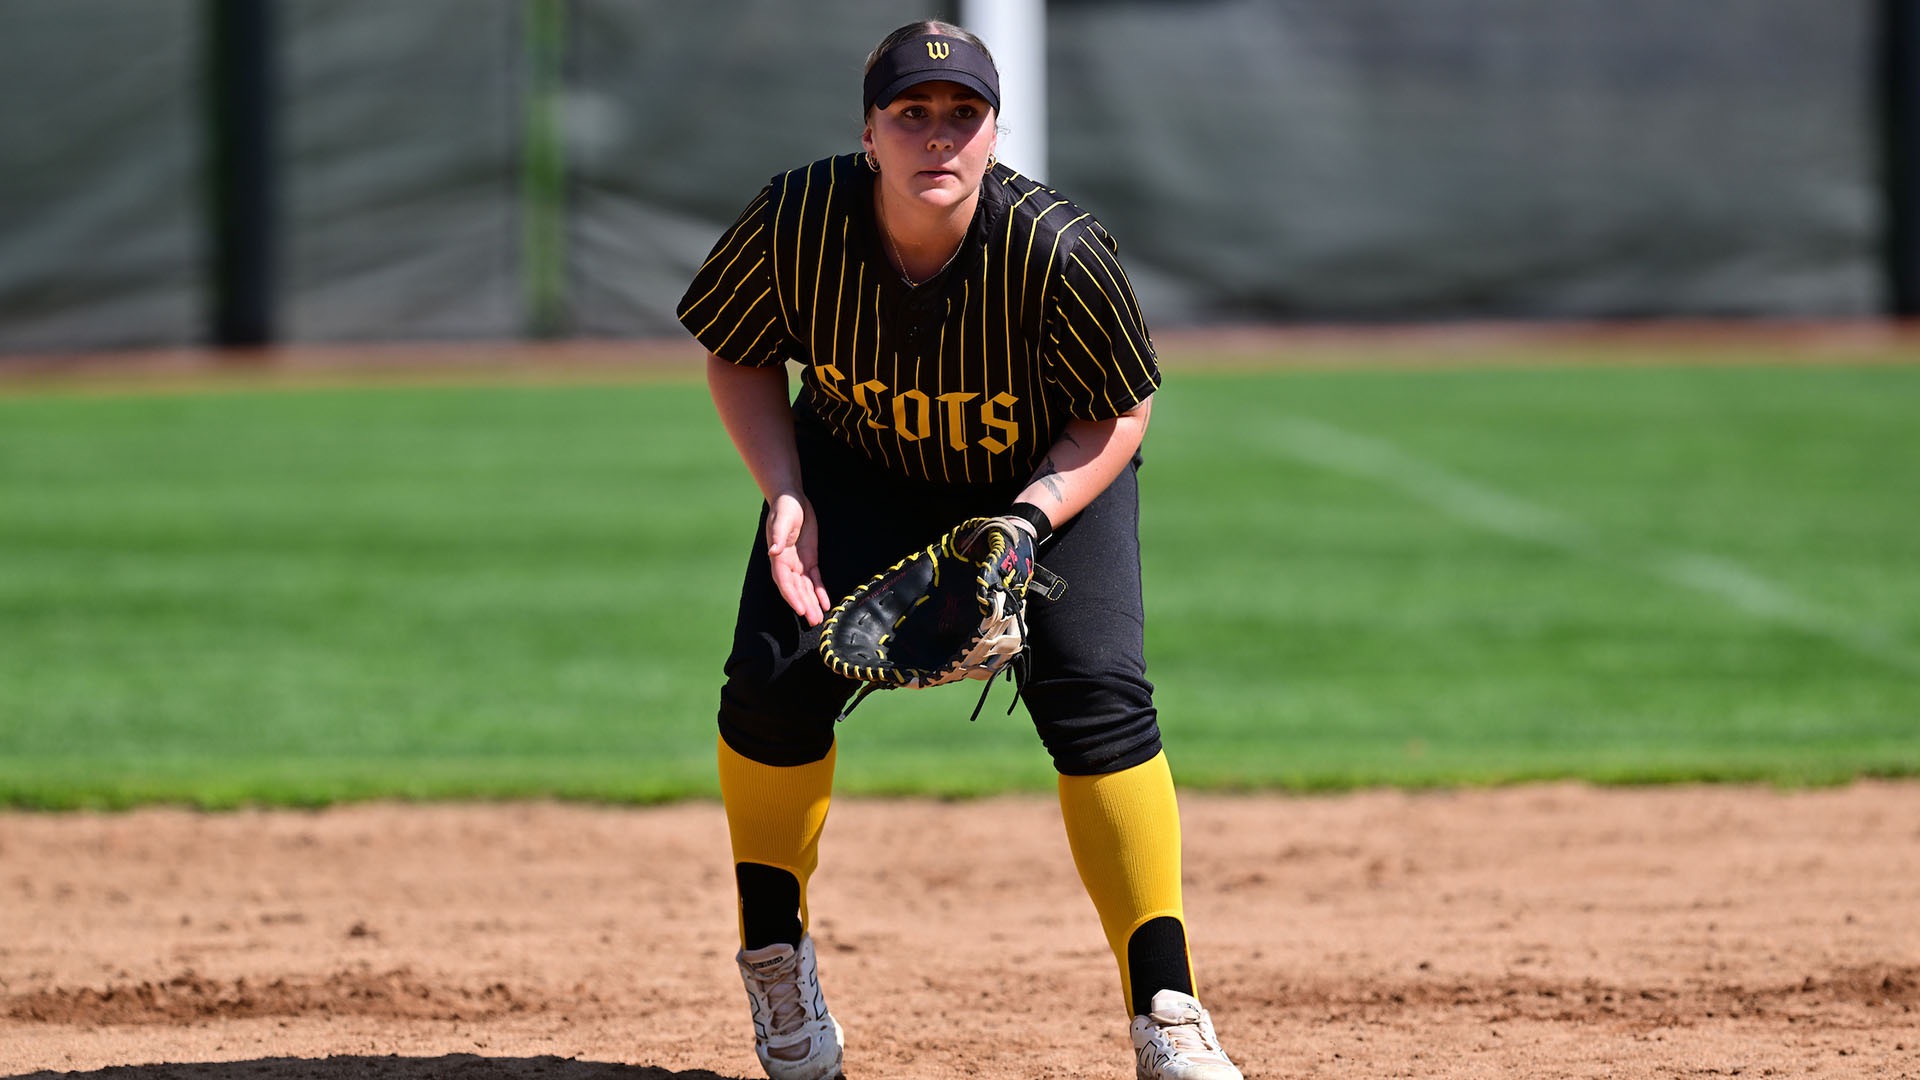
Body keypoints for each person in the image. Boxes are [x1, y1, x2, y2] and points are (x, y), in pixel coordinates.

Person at [676, 20, 1245, 1080]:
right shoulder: (798, 219)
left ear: (993, 132)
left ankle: (1166, 1007)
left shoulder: (1056, 249)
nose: (937, 135)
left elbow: (1120, 412)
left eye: (962, 114)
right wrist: (786, 492)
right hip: (854, 467)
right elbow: (738, 353)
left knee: (1099, 697)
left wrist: (1027, 522)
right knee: (769, 684)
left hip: (1037, 479)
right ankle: (775, 957)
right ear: (869, 132)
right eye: (911, 113)